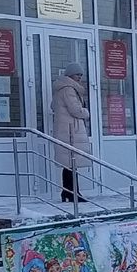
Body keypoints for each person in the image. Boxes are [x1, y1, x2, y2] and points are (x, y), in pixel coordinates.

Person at [52, 63, 91, 202]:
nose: (79, 78)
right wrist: (86, 112)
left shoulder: (60, 88)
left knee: (69, 164)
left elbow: (53, 106)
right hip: (70, 131)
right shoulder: (69, 89)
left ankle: (67, 192)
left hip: (66, 130)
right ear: (70, 75)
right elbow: (75, 110)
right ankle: (74, 193)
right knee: (71, 163)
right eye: (77, 75)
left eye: (80, 75)